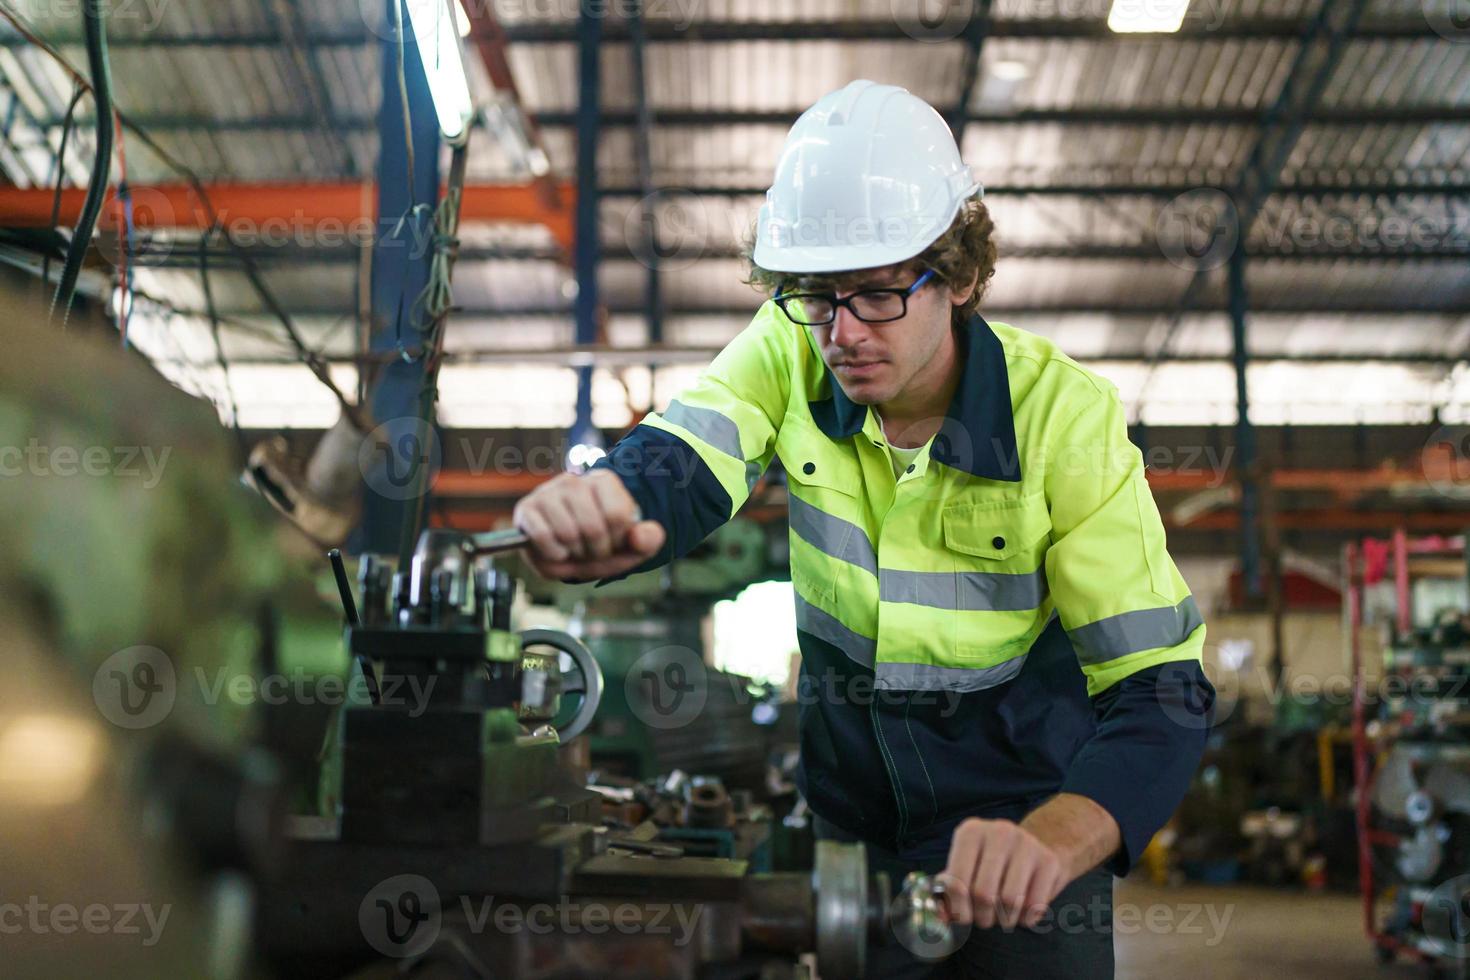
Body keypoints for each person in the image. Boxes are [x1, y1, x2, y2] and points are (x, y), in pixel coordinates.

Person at [512, 79, 1214, 978]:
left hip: (1023, 842)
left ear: (958, 276)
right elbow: (688, 452)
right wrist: (607, 503)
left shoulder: (1063, 421)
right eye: (817, 295)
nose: (840, 333)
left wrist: (1054, 840)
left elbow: (1161, 691)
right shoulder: (792, 346)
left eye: (878, 295)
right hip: (858, 844)